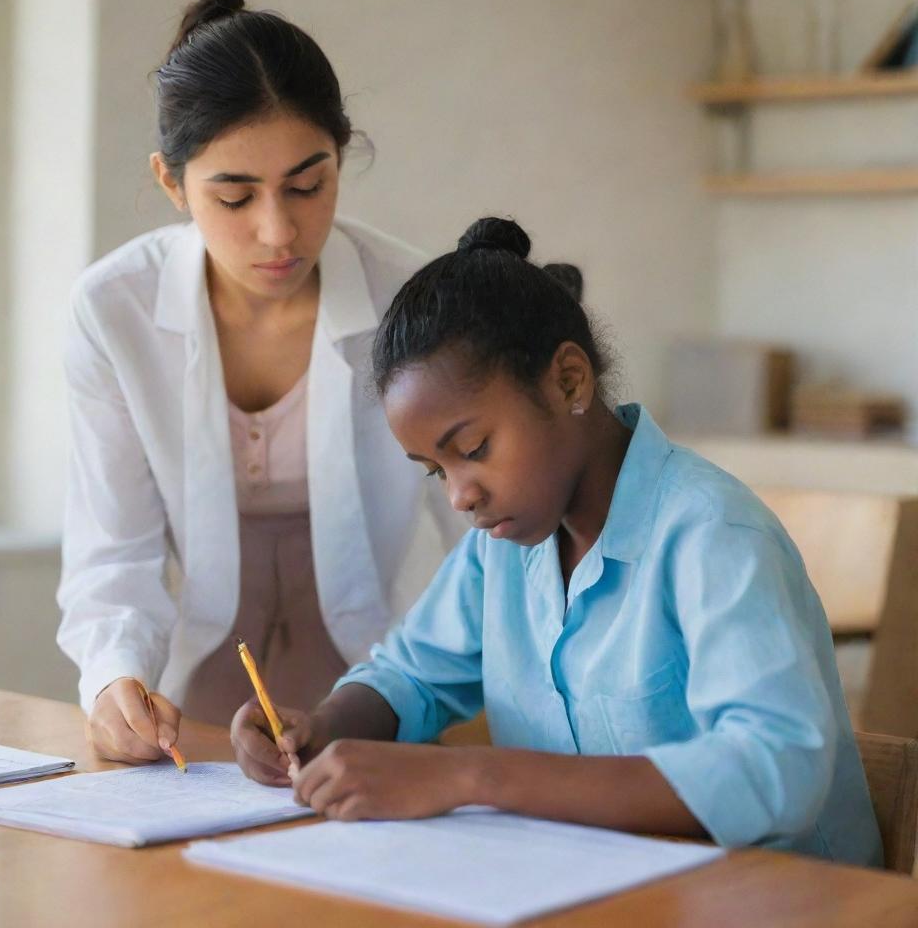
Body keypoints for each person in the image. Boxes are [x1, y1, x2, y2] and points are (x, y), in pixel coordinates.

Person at [231, 216, 882, 867]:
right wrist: (322, 728)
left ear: (569, 381)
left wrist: (475, 777)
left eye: (474, 450)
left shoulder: (713, 533)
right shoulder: (505, 550)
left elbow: (776, 772)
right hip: (600, 892)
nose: (459, 495)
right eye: (437, 470)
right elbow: (410, 679)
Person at [57, 0, 461, 765]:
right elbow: (113, 553)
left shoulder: (412, 297)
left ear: (341, 158)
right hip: (193, 700)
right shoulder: (115, 309)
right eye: (234, 197)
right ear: (172, 183)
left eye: (309, 186)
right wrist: (113, 678)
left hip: (379, 689)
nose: (278, 232)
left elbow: (489, 532)